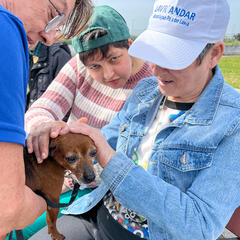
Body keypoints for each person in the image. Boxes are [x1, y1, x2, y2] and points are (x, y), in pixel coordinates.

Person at [29, 0, 240, 240]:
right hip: (96, 214)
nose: (157, 71)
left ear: (214, 54)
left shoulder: (233, 123)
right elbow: (104, 139)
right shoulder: (147, 91)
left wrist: (110, 159)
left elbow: (199, 226)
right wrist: (65, 134)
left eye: (173, 58)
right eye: (154, 53)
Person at [24, 4, 152, 239]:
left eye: (115, 59)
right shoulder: (76, 68)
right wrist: (45, 127)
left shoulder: (151, 83)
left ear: (129, 46)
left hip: (97, 189)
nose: (108, 74)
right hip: (61, 176)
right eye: (95, 66)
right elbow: (40, 109)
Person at [0, 0, 92, 239]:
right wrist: (47, 198)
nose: (50, 38)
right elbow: (7, 210)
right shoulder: (6, 30)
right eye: (53, 13)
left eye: (58, 24)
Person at [27, 41, 72, 110]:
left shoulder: (59, 55)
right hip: (32, 117)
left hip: (51, 118)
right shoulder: (26, 55)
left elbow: (66, 98)